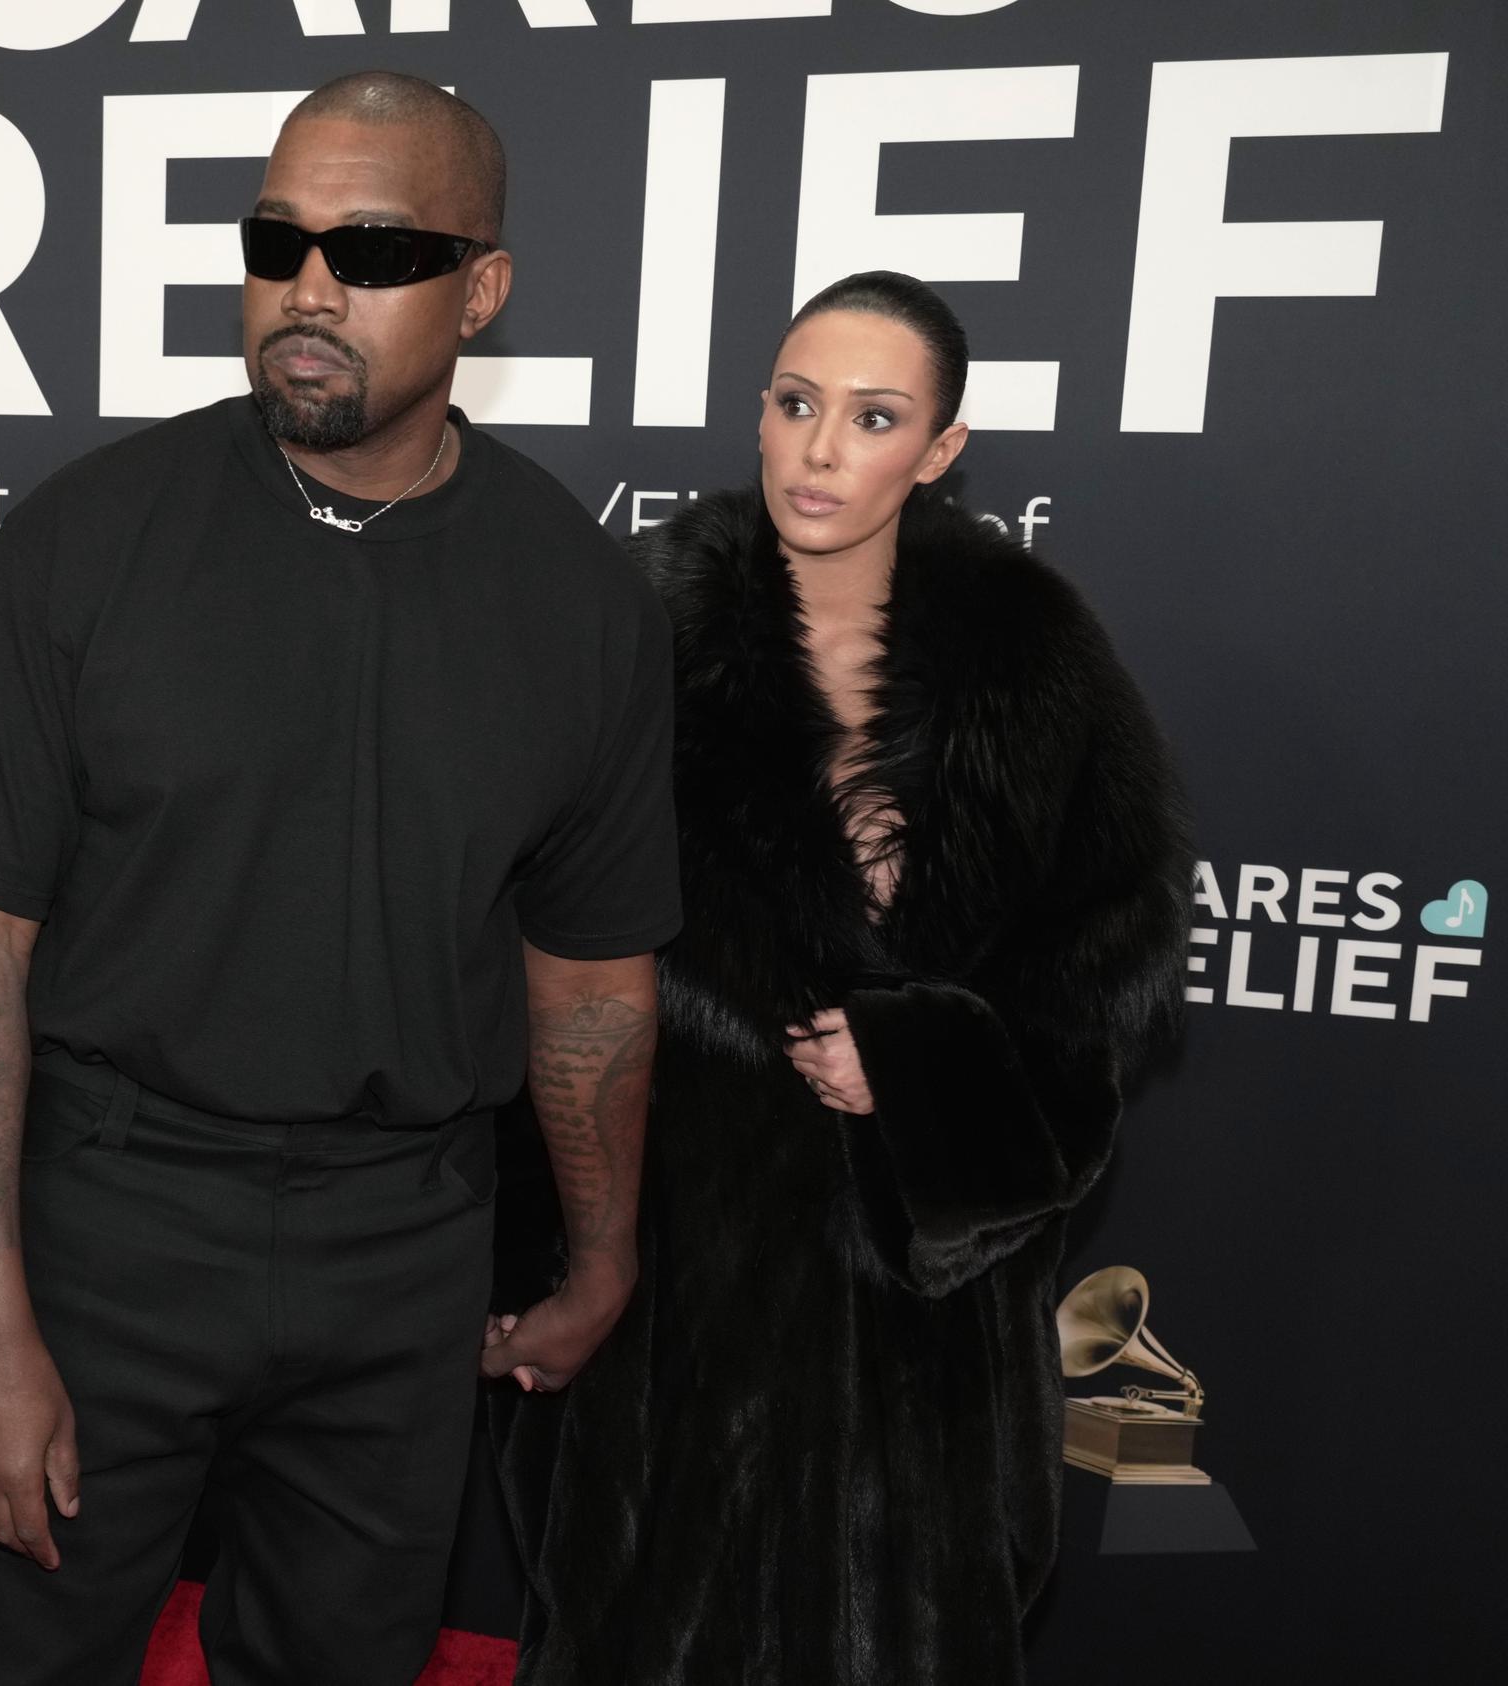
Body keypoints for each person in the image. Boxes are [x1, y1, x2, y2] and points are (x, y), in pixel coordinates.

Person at [0, 71, 681, 1686]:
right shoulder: (88, 540)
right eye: (279, 238)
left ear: (485, 291)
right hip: (116, 1217)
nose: (311, 286)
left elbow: (591, 975)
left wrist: (600, 1255)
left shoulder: (581, 600)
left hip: (409, 1252)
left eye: (376, 249)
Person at [491, 271, 1192, 1684]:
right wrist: (558, 1250)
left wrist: (926, 1060)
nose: (820, 450)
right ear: (758, 410)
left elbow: (1113, 959)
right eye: (797, 403)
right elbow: (533, 926)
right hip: (683, 1265)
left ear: (939, 447)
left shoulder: (1035, 658)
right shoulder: (639, 635)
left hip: (916, 1313)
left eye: (873, 417)